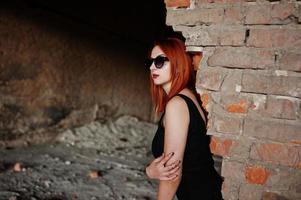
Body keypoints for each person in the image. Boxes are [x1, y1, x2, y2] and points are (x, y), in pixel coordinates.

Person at [144, 37, 224, 200]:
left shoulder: (177, 104)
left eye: (159, 61)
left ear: (177, 62)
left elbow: (172, 174)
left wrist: (150, 172)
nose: (152, 67)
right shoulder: (189, 96)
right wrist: (149, 171)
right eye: (150, 62)